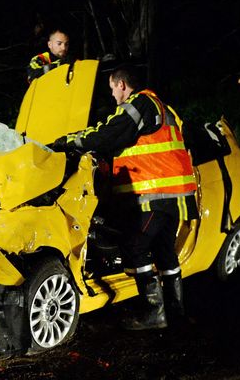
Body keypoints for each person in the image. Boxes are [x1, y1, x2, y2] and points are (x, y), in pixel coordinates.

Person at [51, 64, 198, 330]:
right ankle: (176, 314)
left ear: (121, 85)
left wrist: (69, 143)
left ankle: (154, 312)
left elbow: (109, 133)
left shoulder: (139, 103)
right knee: (165, 252)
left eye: (112, 89)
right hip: (175, 195)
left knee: (134, 246)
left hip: (152, 193)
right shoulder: (164, 108)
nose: (112, 96)